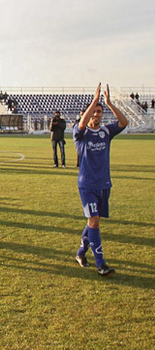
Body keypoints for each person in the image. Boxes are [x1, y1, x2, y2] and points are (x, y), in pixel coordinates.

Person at [74, 83, 127, 276]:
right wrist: (94, 101)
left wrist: (109, 103)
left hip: (104, 184)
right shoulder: (80, 133)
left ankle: (81, 253)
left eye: (99, 112)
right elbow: (81, 123)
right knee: (94, 221)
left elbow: (124, 122)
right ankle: (101, 264)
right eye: (93, 112)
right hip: (87, 186)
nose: (96, 115)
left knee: (92, 222)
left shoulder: (106, 132)